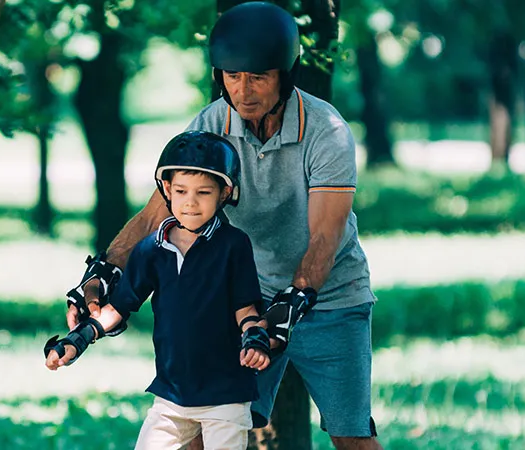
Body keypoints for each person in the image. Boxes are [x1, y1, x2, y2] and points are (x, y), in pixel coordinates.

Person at [65, 2, 383, 449]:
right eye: (232, 76)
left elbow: (325, 237)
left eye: (257, 77)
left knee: (351, 436)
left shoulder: (326, 130)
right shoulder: (212, 125)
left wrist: (290, 306)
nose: (243, 90)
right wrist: (103, 271)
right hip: (245, 299)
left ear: (284, 74)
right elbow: (158, 212)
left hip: (330, 297)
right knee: (202, 423)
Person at [46, 131, 274, 450]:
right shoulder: (150, 250)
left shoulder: (234, 245)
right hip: (171, 396)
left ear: (225, 193)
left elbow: (245, 308)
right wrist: (79, 339)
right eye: (181, 191)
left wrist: (254, 338)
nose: (190, 202)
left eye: (203, 192)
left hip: (226, 396)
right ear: (166, 189)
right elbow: (119, 307)